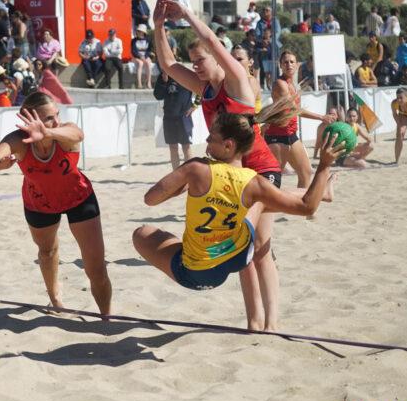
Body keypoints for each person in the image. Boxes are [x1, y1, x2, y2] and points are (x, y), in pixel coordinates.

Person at [152, 0, 284, 331]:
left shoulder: (237, 82)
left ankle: (272, 322)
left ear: (217, 58)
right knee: (241, 251)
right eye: (194, 60)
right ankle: (254, 321)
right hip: (232, 177)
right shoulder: (203, 88)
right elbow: (167, 65)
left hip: (262, 171)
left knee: (259, 247)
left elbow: (210, 38)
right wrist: (158, 26)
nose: (196, 65)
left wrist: (187, 14)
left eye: (201, 60)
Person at [132, 113, 342, 300]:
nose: (206, 140)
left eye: (212, 137)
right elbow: (306, 208)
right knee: (259, 202)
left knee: (142, 233)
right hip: (238, 256)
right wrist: (324, 165)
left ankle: (322, 192)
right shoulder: (255, 182)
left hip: (199, 273)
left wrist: (184, 182)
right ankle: (322, 192)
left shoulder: (196, 168)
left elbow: (150, 199)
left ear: (229, 145)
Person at [0, 92, 112, 314]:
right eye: (48, 118)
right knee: (47, 252)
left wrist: (47, 131)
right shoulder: (19, 140)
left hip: (78, 197)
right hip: (39, 202)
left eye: (56, 115)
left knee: (96, 268)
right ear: (28, 120)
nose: (56, 121)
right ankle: (56, 300)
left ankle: (106, 317)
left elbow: (78, 134)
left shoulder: (64, 133)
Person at [265, 50, 330, 189]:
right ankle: (263, 209)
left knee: (306, 174)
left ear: (297, 65)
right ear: (280, 65)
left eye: (292, 62)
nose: (289, 64)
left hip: (291, 135)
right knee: (272, 184)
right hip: (277, 137)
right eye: (285, 62)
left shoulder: (293, 84)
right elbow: (294, 110)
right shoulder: (280, 84)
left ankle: (299, 207)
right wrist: (321, 117)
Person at [154, 70, 194, 169]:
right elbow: (158, 96)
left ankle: (189, 176)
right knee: (173, 147)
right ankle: (176, 175)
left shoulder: (185, 73)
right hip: (169, 117)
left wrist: (195, 105)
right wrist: (163, 81)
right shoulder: (163, 76)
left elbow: (202, 89)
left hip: (183, 117)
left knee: (186, 147)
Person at [131, 24, 152, 89]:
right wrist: (140, 57)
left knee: (148, 63)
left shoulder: (148, 39)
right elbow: (134, 51)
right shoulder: (134, 40)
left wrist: (145, 57)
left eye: (140, 31)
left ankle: (148, 82)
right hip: (136, 57)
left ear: (143, 32)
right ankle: (139, 83)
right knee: (140, 63)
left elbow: (149, 50)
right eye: (138, 31)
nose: (139, 32)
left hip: (145, 56)